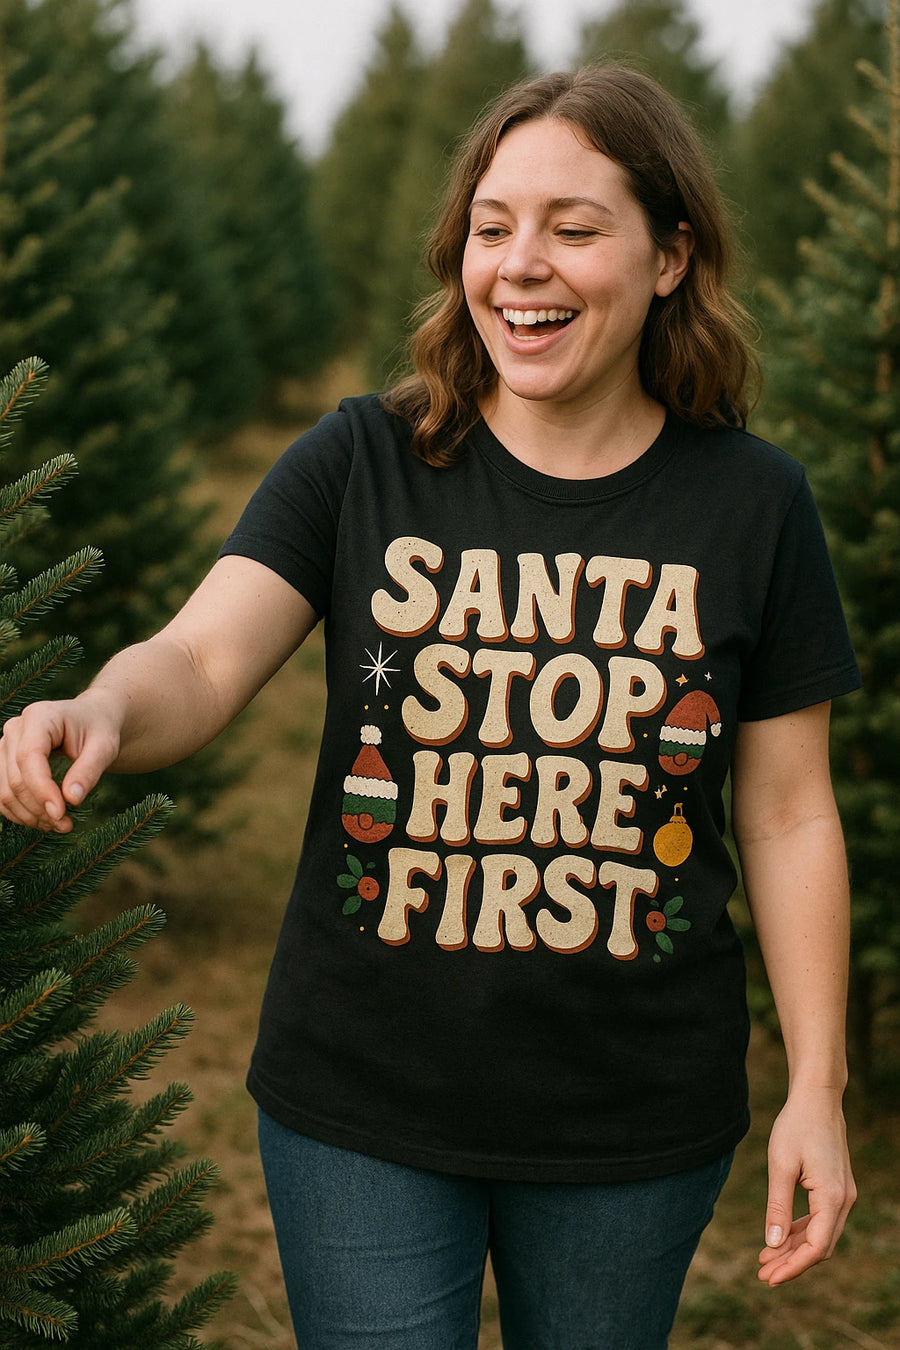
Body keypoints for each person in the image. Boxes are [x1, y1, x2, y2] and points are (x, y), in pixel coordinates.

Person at [0, 66, 859, 1349]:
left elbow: (788, 815)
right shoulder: (364, 460)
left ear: (671, 256)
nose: (523, 265)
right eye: (494, 225)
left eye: (576, 228)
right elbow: (202, 659)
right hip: (363, 1107)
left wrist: (818, 1088)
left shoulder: (751, 504)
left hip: (631, 1118)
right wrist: (105, 708)